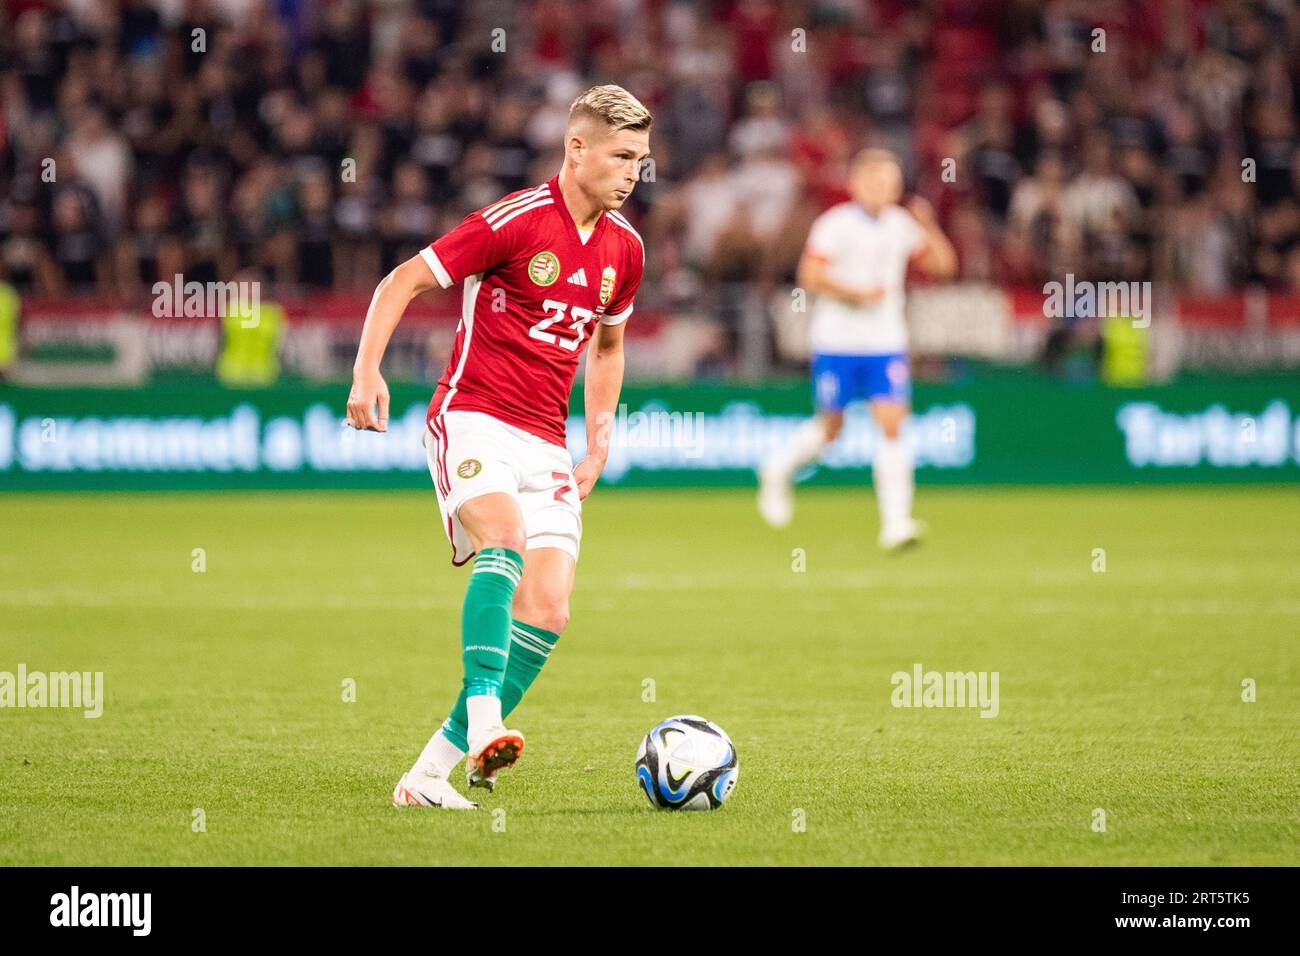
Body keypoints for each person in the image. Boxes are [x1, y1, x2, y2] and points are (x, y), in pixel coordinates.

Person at [346, 85, 651, 809]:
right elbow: (403, 280)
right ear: (577, 149)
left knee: (548, 607)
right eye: (622, 156)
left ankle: (426, 777)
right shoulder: (515, 221)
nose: (634, 172)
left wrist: (598, 444)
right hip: (473, 413)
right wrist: (366, 369)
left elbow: (608, 348)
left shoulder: (625, 250)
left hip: (547, 440)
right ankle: (487, 719)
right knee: (504, 541)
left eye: (641, 158)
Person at [758, 148, 956, 550]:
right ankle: (777, 470)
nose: (886, 189)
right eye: (877, 181)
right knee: (832, 429)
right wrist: (856, 294)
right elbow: (810, 276)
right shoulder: (836, 224)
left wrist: (929, 226)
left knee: (892, 424)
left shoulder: (902, 225)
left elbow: (943, 267)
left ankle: (896, 524)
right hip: (837, 340)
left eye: (892, 182)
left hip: (886, 342)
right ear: (857, 183)